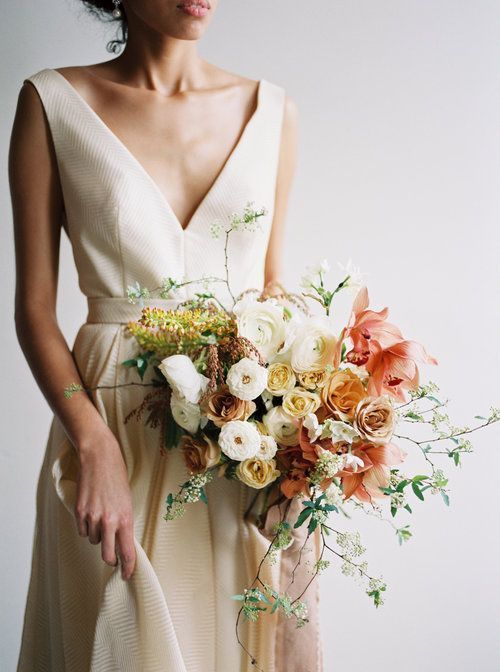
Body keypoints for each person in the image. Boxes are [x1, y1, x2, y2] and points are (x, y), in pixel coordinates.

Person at [9, 1, 323, 670]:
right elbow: (35, 306)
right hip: (111, 418)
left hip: (240, 423)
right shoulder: (52, 103)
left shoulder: (272, 112)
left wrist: (304, 433)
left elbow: (273, 286)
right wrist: (90, 444)